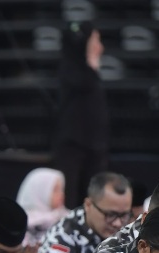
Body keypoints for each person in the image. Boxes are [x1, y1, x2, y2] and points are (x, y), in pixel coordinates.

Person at [29, 172, 132, 253]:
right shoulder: (63, 235)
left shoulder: (127, 234)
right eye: (110, 215)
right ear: (88, 205)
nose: (117, 223)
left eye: (124, 215)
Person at [52, 21, 109, 209]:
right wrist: (91, 62)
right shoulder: (72, 71)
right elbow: (83, 84)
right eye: (95, 42)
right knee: (70, 194)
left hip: (94, 145)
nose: (100, 48)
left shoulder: (91, 75)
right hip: (73, 143)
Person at [15, 168, 68, 244]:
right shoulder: (20, 224)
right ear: (40, 191)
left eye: (61, 189)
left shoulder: (68, 219)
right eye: (55, 190)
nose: (61, 194)